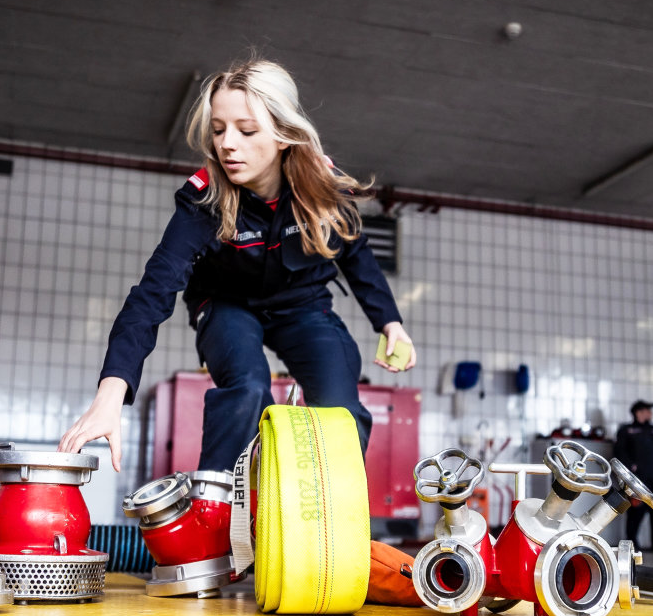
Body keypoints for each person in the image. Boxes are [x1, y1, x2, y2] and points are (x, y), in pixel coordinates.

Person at [59, 59, 417, 472]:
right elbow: (153, 292)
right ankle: (218, 509)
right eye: (218, 129)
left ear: (284, 135)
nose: (227, 144)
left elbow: (355, 251)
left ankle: (328, 521)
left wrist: (389, 322)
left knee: (342, 413)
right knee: (247, 388)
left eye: (246, 131)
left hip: (303, 305)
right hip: (227, 305)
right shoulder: (203, 200)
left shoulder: (321, 184)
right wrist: (110, 393)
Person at [614, 400, 653, 551]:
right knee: (636, 511)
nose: (650, 413)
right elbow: (620, 452)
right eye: (647, 410)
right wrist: (632, 470)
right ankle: (632, 543)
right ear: (638, 412)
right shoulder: (627, 430)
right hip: (638, 480)